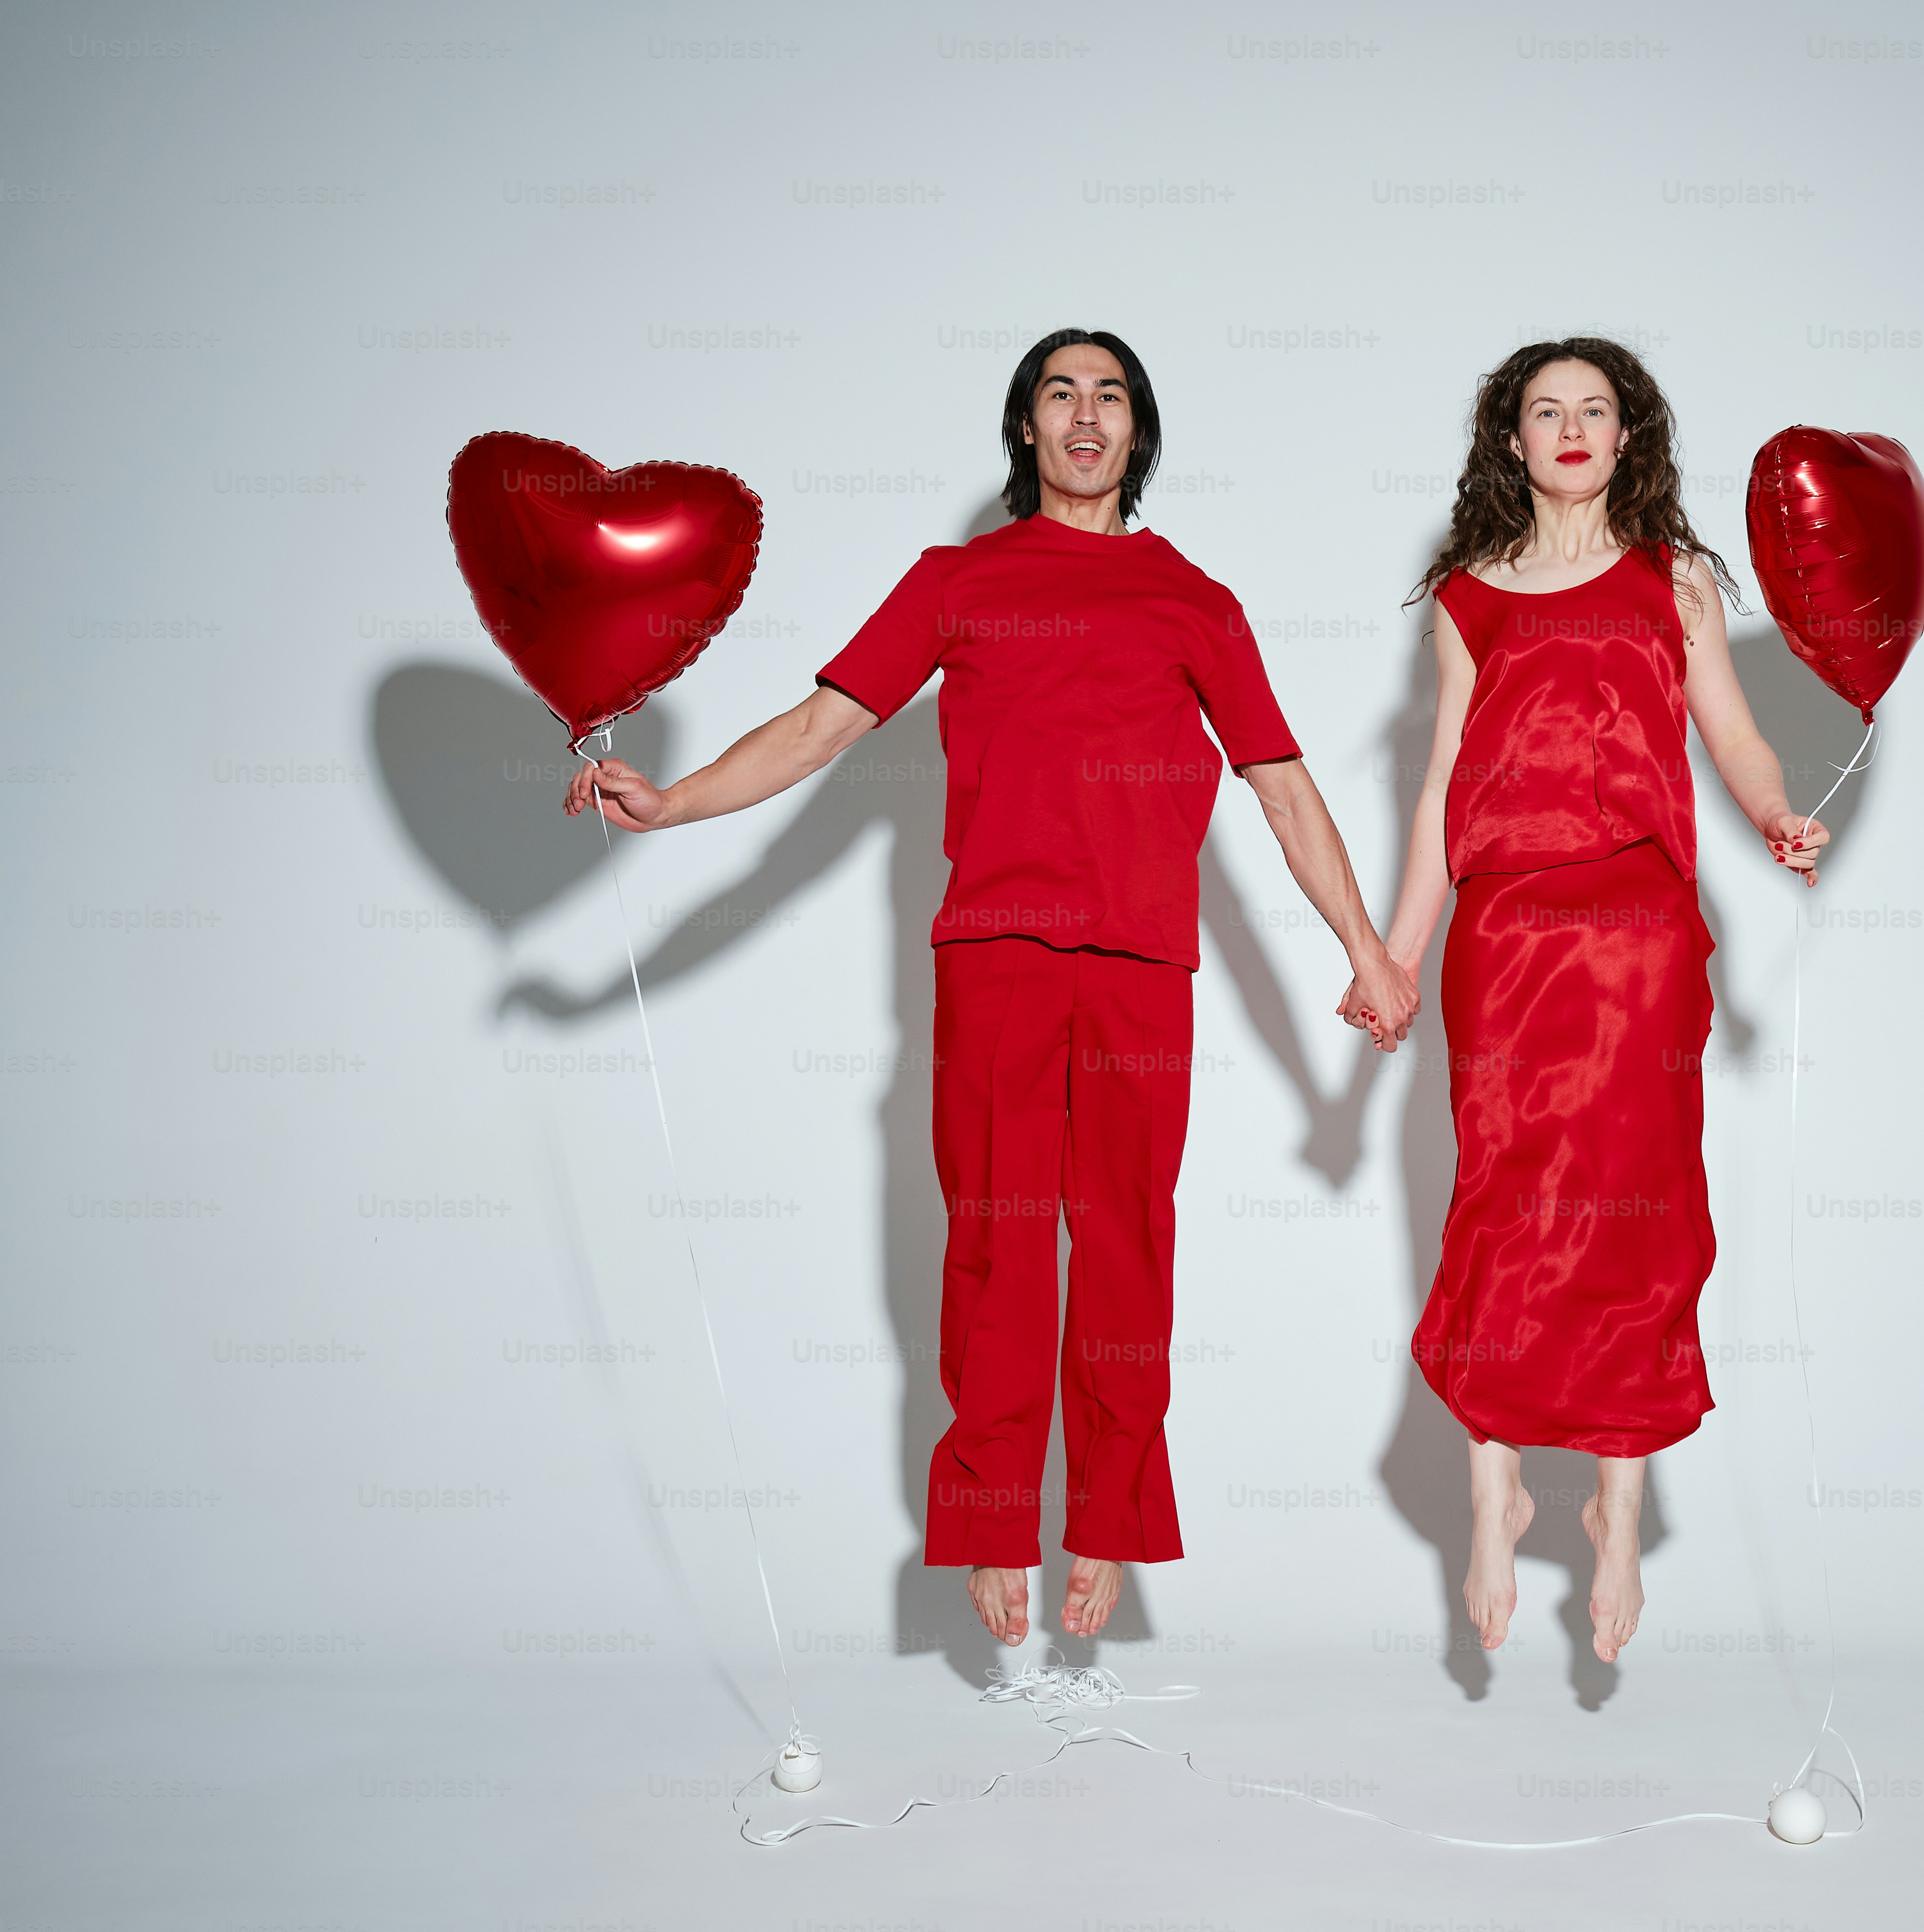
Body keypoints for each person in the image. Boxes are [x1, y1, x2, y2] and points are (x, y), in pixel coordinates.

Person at [568, 329, 1418, 1647]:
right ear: (1026, 427)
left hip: (1143, 966)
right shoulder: (956, 580)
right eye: (1060, 394)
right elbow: (820, 726)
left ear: (1139, 431)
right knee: (996, 1246)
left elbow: (1286, 790)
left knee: (1130, 1247)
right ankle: (987, 1519)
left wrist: (1365, 949)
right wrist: (673, 805)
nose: (1087, 415)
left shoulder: (1196, 599)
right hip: (998, 956)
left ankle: (1113, 1523)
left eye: (1112, 395)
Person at [1362, 338, 1826, 1667]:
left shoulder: (1673, 578)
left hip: (1637, 934)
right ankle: (1492, 1479)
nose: (1571, 428)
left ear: (1630, 436)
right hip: (1503, 936)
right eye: (1545, 411)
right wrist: (1395, 958)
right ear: (1512, 440)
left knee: (1636, 1205)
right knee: (1502, 1199)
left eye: (1595, 410)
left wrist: (1776, 812)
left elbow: (1730, 729)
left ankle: (1621, 1509)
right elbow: (1443, 789)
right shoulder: (1468, 598)